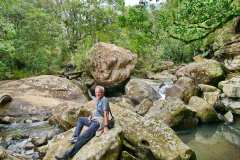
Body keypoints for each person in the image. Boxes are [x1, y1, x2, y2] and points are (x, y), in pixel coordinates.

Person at [55, 85, 110, 160]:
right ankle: (75, 137)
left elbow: (106, 113)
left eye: (99, 92)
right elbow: (98, 111)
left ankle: (67, 155)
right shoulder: (98, 100)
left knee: (83, 137)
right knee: (81, 119)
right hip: (94, 120)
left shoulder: (104, 100)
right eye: (96, 92)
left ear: (103, 93)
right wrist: (91, 116)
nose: (97, 94)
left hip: (97, 123)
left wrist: (106, 126)